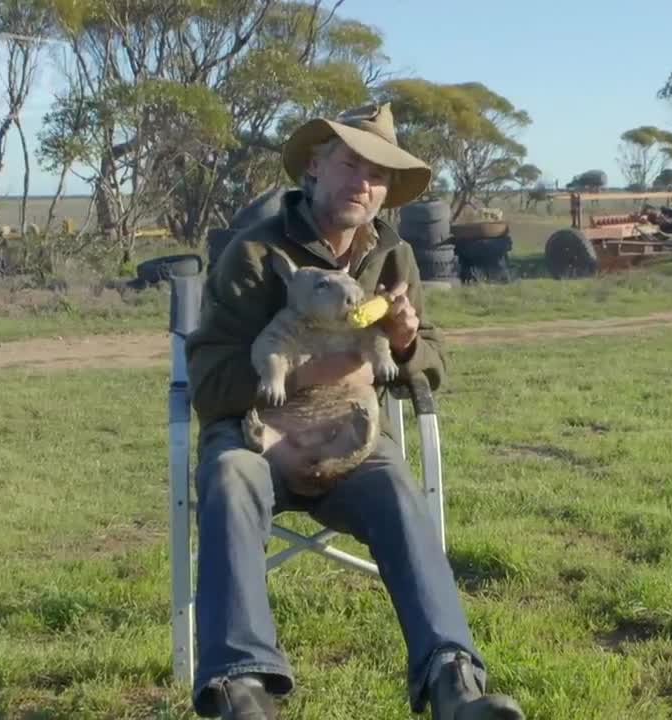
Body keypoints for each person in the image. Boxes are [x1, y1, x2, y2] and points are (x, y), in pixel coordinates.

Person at [184, 103, 525, 720]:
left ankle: (454, 682)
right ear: (315, 166)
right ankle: (243, 690)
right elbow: (207, 378)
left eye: (377, 175)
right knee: (229, 479)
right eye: (349, 165)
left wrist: (403, 341)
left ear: (387, 191)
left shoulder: (394, 257)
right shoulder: (255, 255)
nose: (361, 183)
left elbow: (431, 362)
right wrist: (305, 376)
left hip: (351, 442)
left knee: (397, 486)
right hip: (259, 438)